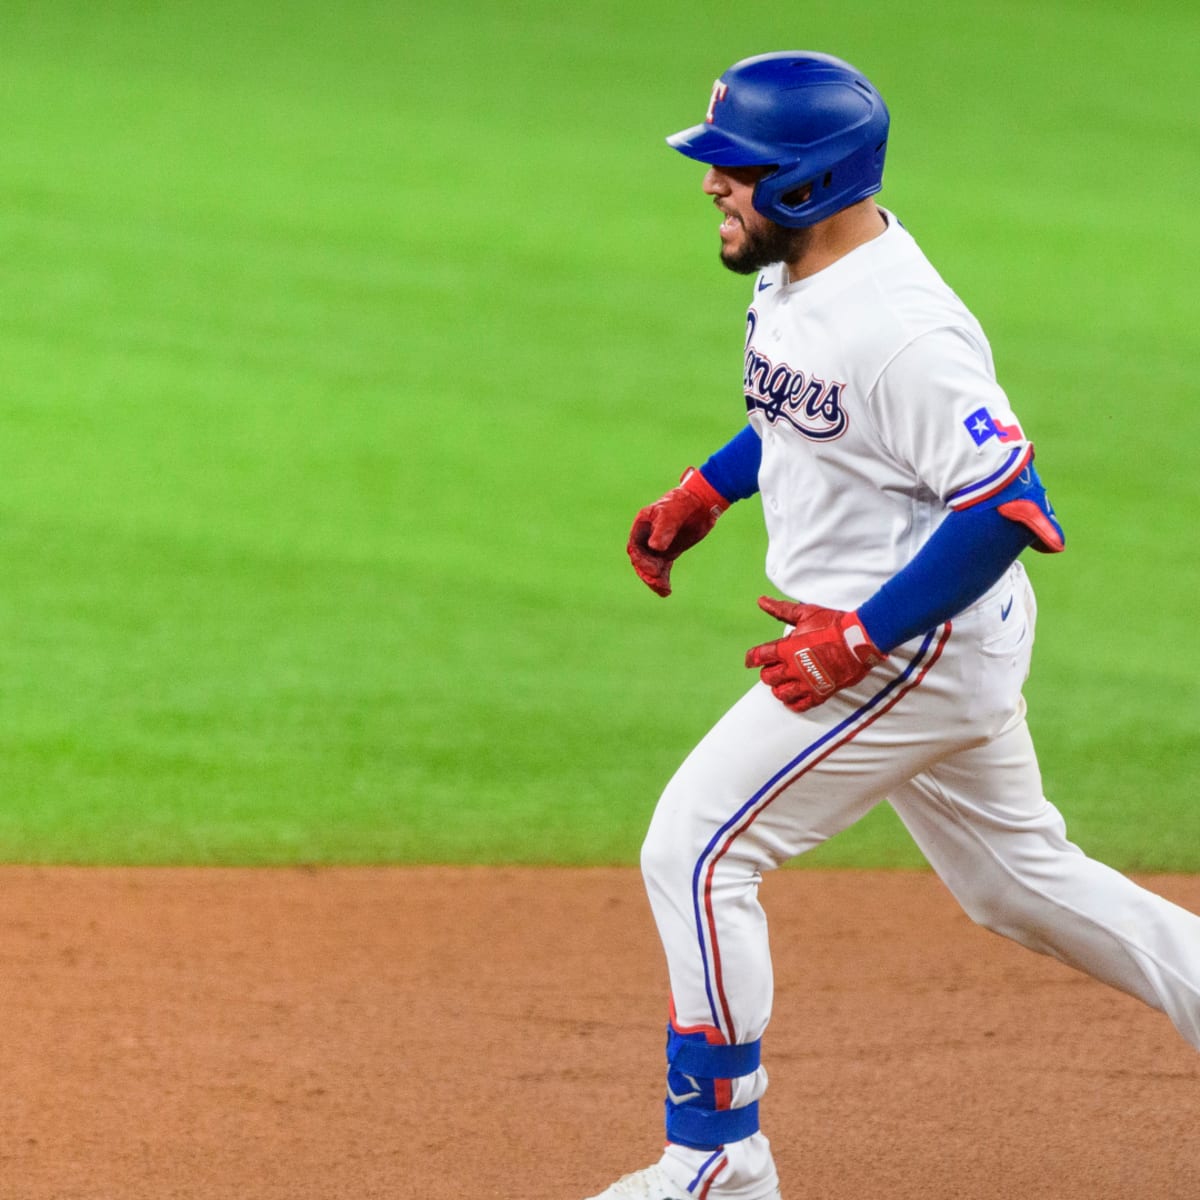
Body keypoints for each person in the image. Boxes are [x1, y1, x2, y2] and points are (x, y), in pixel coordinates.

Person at [584, 50, 1200, 1200]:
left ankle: (717, 1164)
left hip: (911, 651)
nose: (713, 184)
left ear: (811, 184)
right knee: (1018, 882)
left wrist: (857, 639)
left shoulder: (905, 331)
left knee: (700, 847)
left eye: (737, 168)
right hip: (924, 647)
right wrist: (706, 491)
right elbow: (800, 414)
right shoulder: (802, 273)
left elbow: (1012, 508)